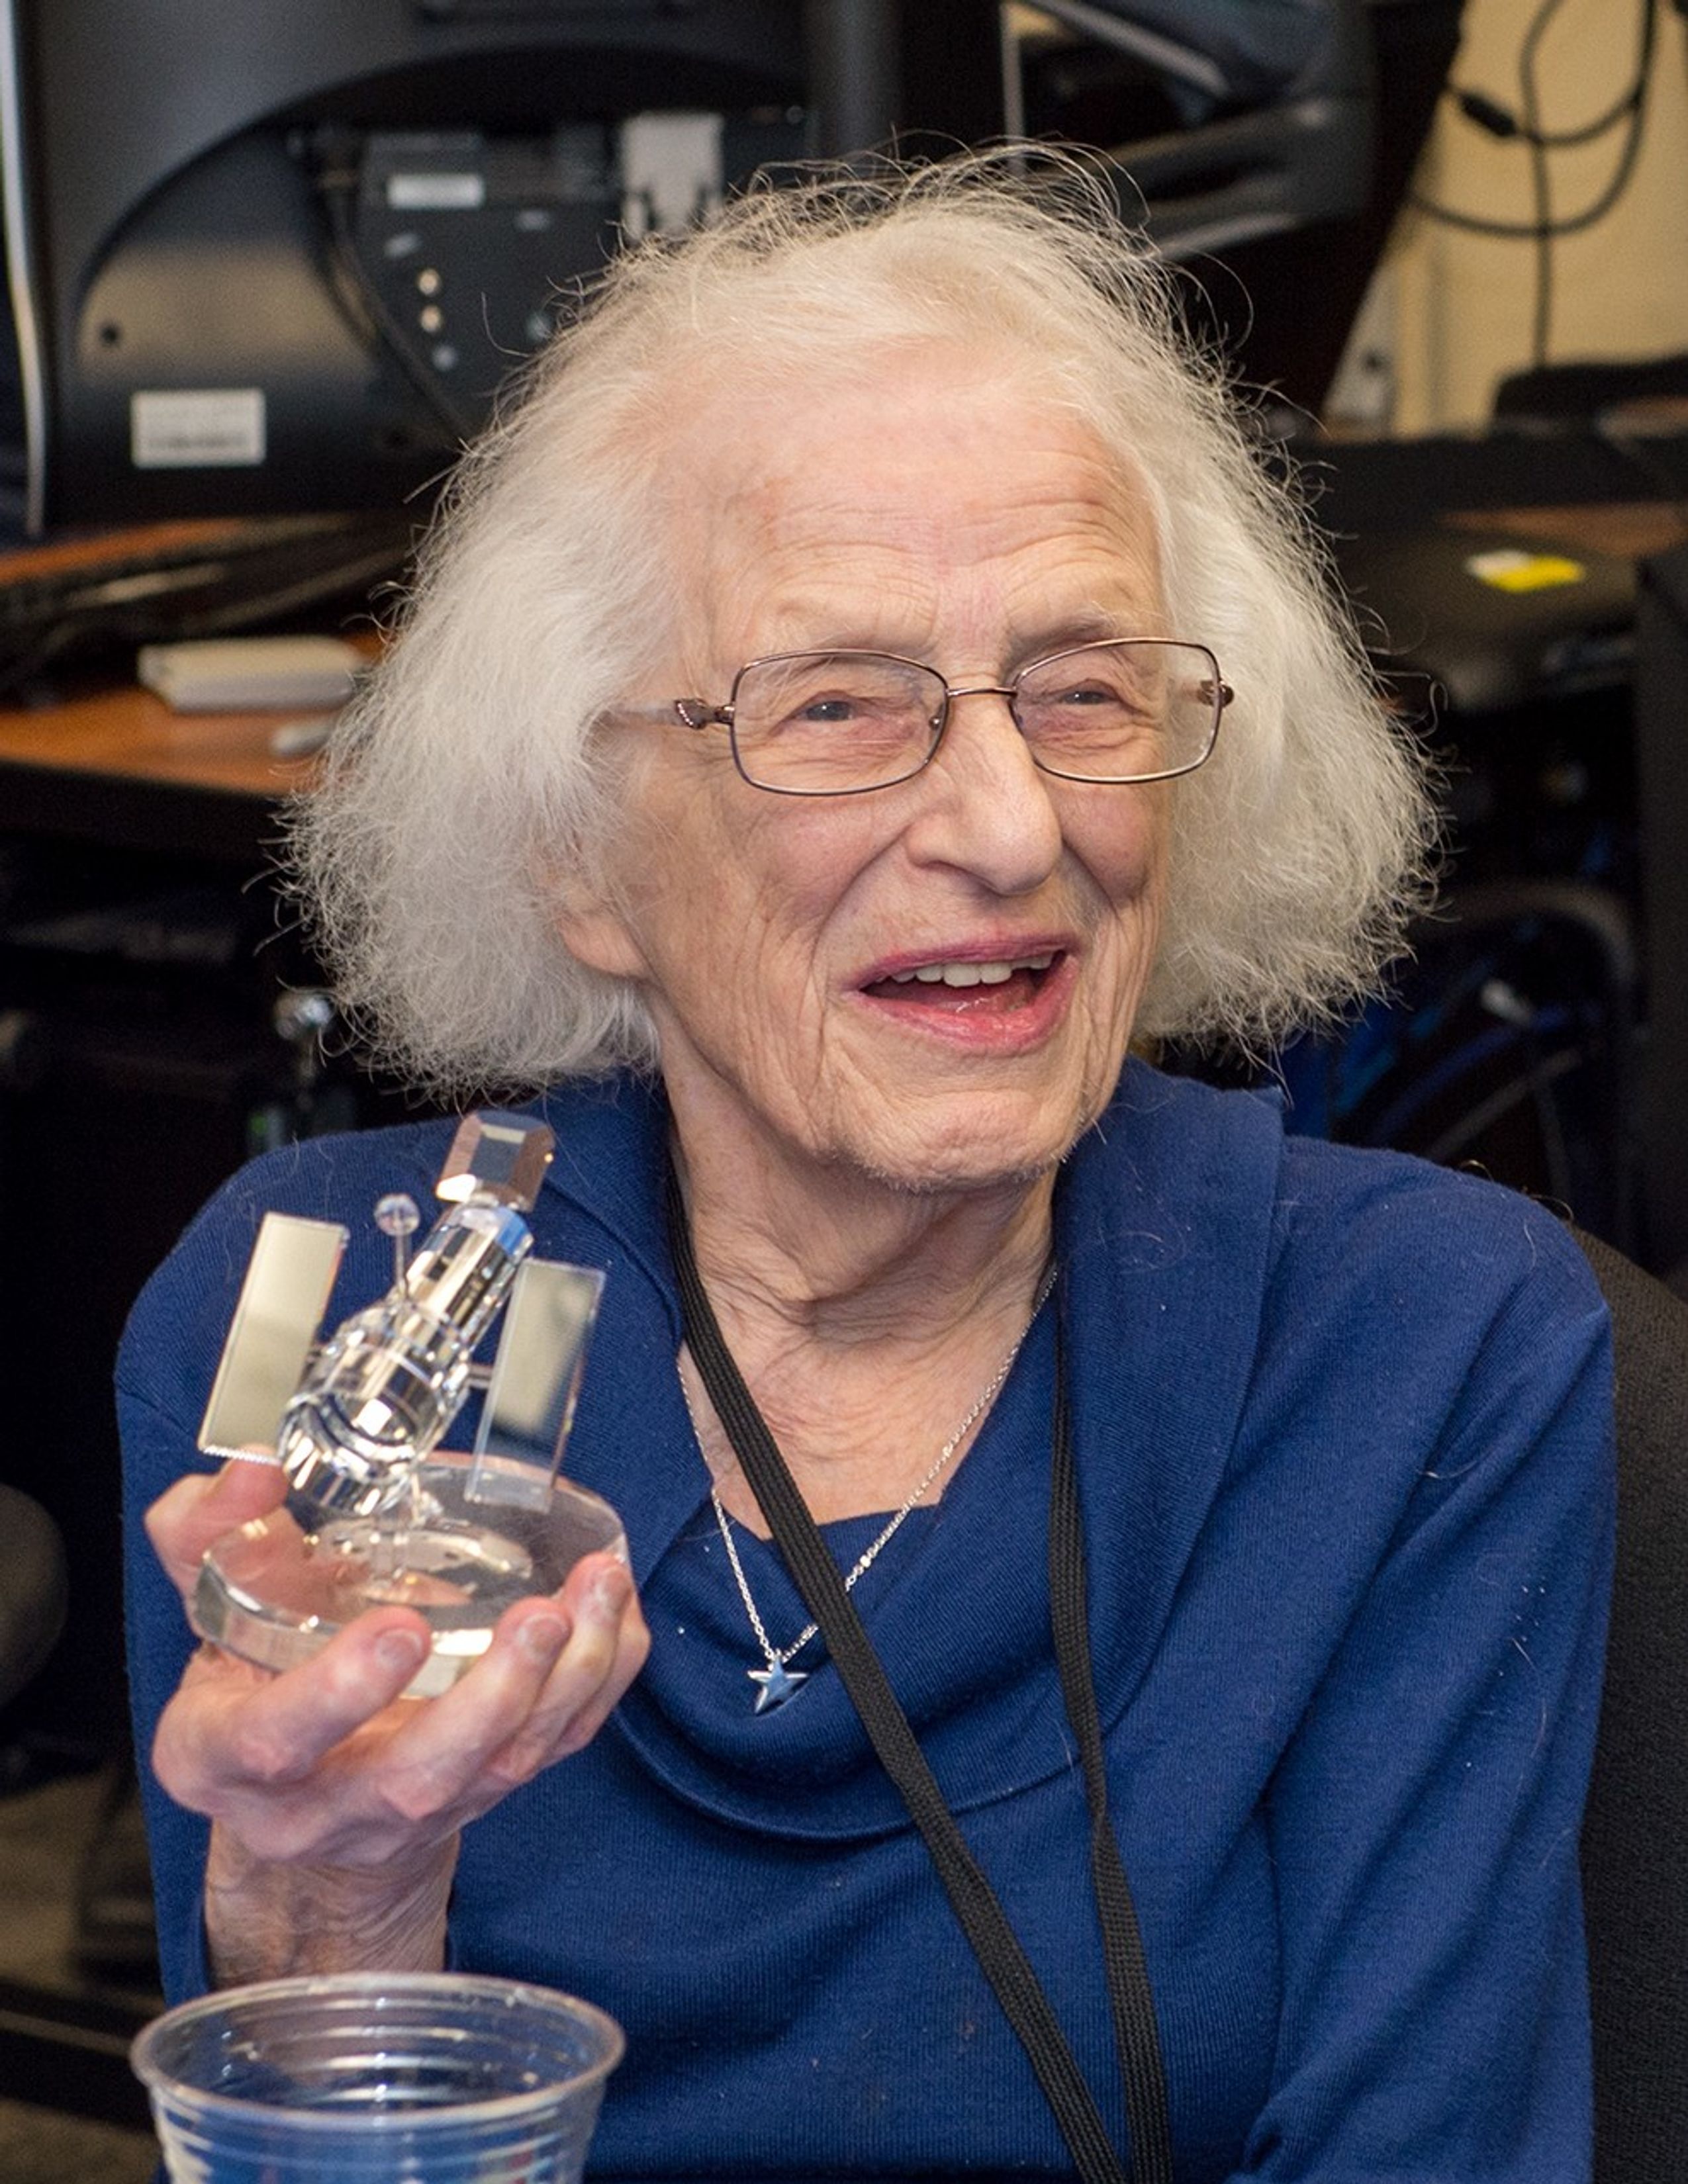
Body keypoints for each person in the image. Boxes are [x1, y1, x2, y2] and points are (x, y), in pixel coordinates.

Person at [119, 150, 1613, 2182]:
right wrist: (331, 1920)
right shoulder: (323, 1318)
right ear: (579, 854)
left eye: (1084, 689)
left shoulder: (1416, 1355)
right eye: (837, 706)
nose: (1009, 824)